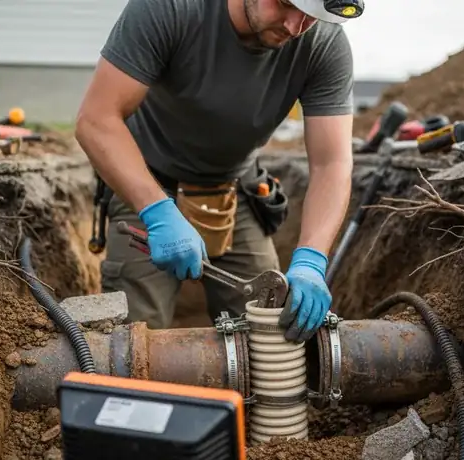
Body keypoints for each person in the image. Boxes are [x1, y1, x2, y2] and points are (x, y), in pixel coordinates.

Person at [75, 0, 362, 343]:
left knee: (269, 333)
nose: (295, 26)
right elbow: (97, 120)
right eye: (285, 4)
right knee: (133, 341)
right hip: (146, 184)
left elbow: (331, 162)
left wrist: (311, 259)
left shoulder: (324, 43)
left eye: (312, 17)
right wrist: (157, 211)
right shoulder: (171, 8)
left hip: (235, 190)